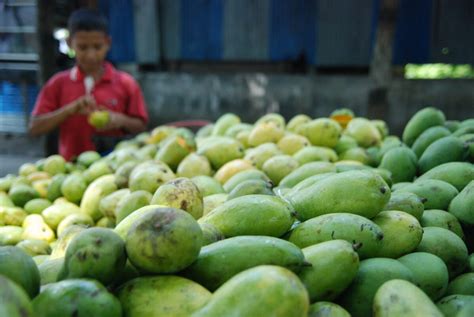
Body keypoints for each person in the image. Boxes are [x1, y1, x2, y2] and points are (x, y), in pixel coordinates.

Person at [29, 8, 148, 161]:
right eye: (83, 47)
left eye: (97, 47)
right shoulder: (58, 83)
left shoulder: (126, 83)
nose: (91, 55)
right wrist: (69, 110)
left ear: (108, 43)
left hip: (116, 168)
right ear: (70, 43)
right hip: (71, 169)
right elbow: (35, 127)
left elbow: (141, 126)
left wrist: (120, 120)